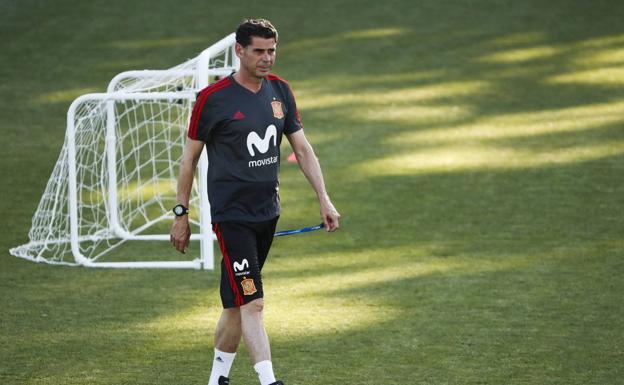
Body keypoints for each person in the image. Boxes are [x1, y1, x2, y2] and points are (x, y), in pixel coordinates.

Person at [169, 19, 340, 385]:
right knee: (253, 301)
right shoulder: (212, 100)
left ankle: (217, 380)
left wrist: (324, 199)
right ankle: (269, 380)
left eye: (272, 50)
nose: (267, 58)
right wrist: (181, 214)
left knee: (235, 302)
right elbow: (189, 160)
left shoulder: (280, 91)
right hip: (232, 217)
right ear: (240, 51)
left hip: (268, 213)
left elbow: (303, 149)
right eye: (259, 51)